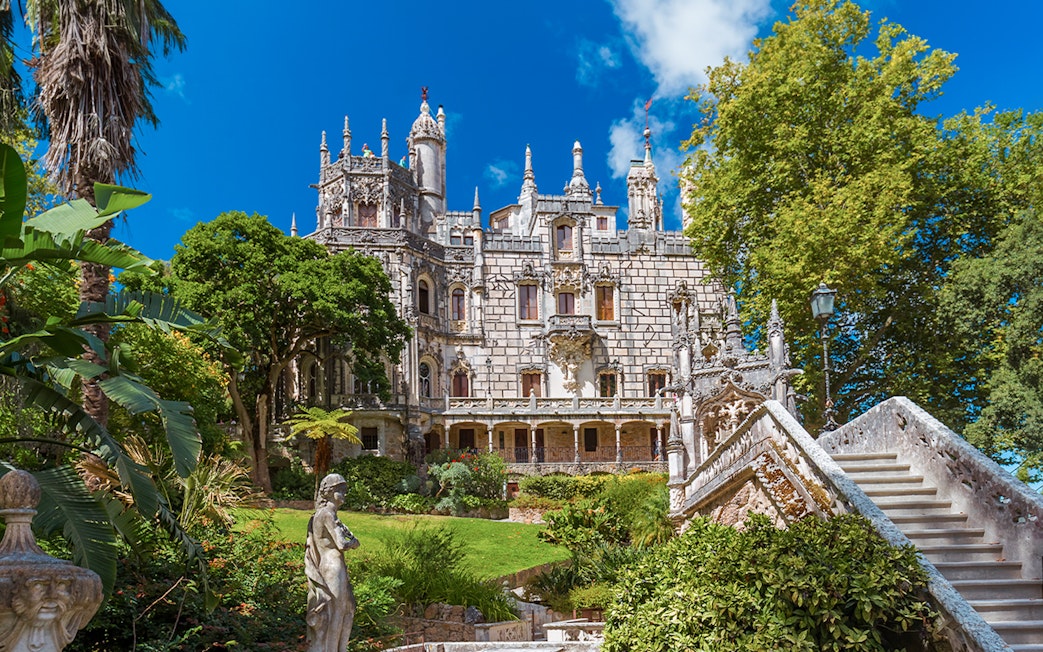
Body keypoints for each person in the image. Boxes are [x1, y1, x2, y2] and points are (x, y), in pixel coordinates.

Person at [305, 473, 360, 652]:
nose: (344, 495)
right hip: (333, 566)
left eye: (345, 491)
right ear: (329, 492)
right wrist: (354, 542)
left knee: (343, 610)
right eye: (340, 491)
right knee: (336, 612)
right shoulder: (327, 514)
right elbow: (341, 544)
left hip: (332, 566)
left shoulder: (324, 513)